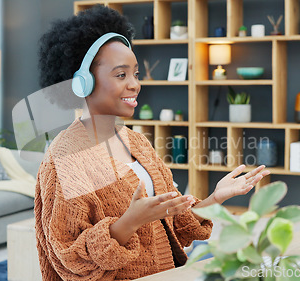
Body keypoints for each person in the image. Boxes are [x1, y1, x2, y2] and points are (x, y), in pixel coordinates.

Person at [34, 5, 270, 280]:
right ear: (82, 83)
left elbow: (174, 225)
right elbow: (70, 257)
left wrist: (216, 197)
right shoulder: (66, 159)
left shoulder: (136, 142)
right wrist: (130, 221)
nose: (135, 84)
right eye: (121, 75)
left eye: (135, 73)